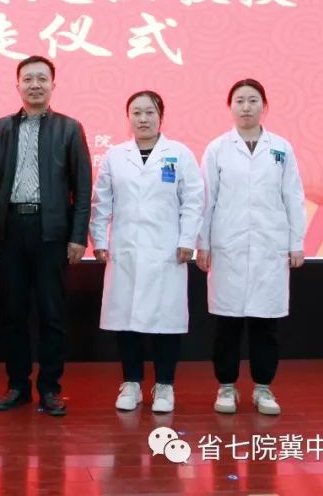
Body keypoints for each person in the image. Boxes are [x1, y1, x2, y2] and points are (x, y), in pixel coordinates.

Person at [0, 55, 91, 417]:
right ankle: (17, 385)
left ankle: (50, 387)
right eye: (28, 78)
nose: (35, 85)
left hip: (52, 232)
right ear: (17, 85)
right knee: (13, 313)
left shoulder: (69, 128)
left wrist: (78, 236)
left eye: (42, 79)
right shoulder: (0, 129)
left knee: (51, 313)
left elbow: (82, 186)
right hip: (11, 230)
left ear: (52, 85)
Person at [90, 90, 204, 414]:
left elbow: (193, 200)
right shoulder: (116, 156)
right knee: (126, 320)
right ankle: (131, 383)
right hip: (125, 248)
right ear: (128, 118)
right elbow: (102, 202)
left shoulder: (179, 154)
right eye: (136, 113)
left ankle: (165, 384)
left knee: (166, 321)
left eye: (149, 112)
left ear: (160, 117)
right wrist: (99, 241)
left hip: (167, 251)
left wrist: (187, 239)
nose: (143, 119)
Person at [197, 78, 306, 416]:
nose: (246, 107)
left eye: (253, 100)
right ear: (230, 107)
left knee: (265, 323)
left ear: (264, 106)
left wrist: (296, 243)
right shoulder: (217, 148)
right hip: (227, 246)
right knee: (227, 324)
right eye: (240, 101)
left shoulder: (281, 148)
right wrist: (203, 244)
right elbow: (206, 200)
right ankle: (226, 387)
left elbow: (293, 197)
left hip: (270, 246)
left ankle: (263, 388)